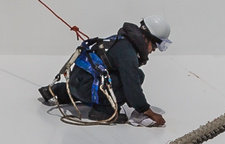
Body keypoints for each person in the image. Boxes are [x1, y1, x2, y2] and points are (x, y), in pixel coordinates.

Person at [39, 16, 171, 125]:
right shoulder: (128, 53)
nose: (153, 50)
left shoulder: (120, 40)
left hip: (76, 81)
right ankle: (103, 110)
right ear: (146, 38)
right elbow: (131, 86)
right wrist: (147, 111)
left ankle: (57, 90)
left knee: (96, 79)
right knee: (138, 75)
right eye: (154, 45)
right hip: (85, 88)